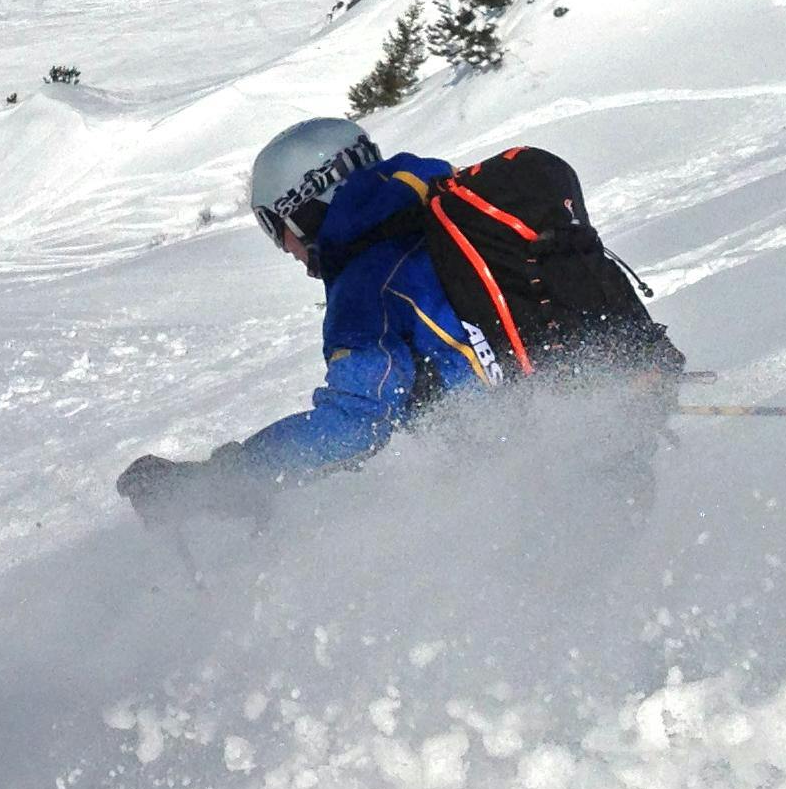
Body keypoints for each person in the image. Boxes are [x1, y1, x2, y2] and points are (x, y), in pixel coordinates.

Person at [115, 119, 504, 525]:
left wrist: (218, 480)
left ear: (303, 209)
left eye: (275, 226)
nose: (285, 248)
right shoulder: (447, 207)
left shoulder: (366, 283)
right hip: (536, 414)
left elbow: (354, 424)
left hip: (503, 460)